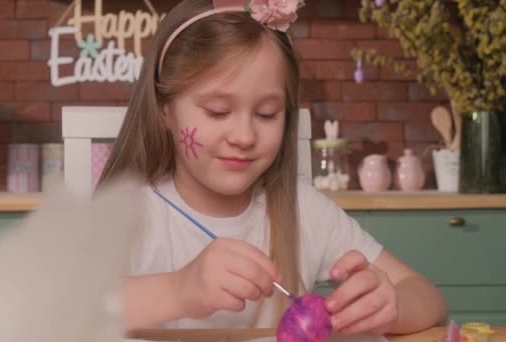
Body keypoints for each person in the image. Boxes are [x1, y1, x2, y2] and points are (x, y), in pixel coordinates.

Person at [97, 0, 447, 336]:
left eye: (267, 114)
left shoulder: (303, 210)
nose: (244, 136)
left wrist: (392, 306)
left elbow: (428, 299)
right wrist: (177, 291)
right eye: (218, 111)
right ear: (165, 109)